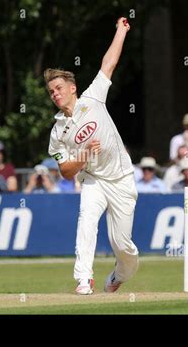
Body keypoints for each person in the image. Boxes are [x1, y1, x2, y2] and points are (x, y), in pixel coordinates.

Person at [46, 17, 138, 295]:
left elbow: (108, 63)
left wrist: (121, 30)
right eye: (51, 92)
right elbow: (65, 171)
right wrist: (84, 155)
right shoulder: (57, 131)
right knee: (86, 220)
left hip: (121, 178)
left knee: (123, 245)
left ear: (72, 88)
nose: (55, 94)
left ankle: (119, 275)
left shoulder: (92, 97)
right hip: (94, 180)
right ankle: (83, 279)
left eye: (58, 88)